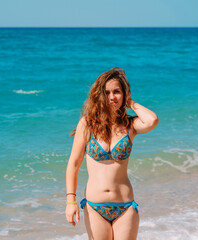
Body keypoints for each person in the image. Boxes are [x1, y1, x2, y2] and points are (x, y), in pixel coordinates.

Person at [65, 67, 159, 240]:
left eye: (117, 91)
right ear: (100, 95)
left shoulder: (130, 125)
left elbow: (152, 120)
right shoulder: (87, 125)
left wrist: (130, 102)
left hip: (125, 207)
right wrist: (71, 201)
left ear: (124, 93)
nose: (112, 97)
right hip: (95, 207)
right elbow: (74, 164)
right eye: (107, 92)